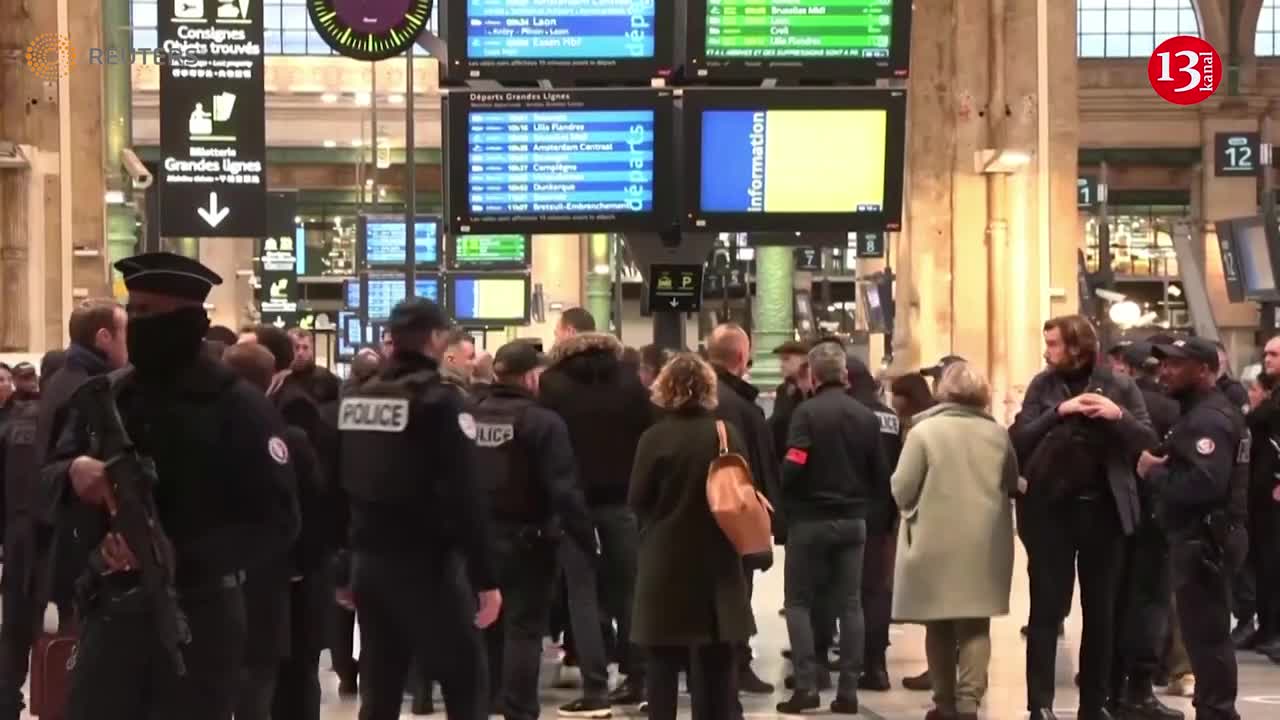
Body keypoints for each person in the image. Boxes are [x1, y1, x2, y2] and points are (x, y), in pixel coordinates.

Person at [43, 252, 300, 720]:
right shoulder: (111, 397)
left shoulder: (237, 407)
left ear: (187, 321)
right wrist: (74, 473)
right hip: (110, 612)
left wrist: (177, 556)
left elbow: (278, 521)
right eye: (132, 311)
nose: (137, 323)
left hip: (196, 617)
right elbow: (47, 480)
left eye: (149, 312)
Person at [336, 297, 500, 720]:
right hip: (427, 565)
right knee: (466, 679)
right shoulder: (440, 401)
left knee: (381, 681)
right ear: (436, 338)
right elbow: (465, 494)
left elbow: (337, 487)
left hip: (368, 563)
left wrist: (342, 568)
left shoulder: (356, 400)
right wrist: (485, 577)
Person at [1011, 314, 1155, 720]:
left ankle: (1096, 703)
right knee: (1046, 610)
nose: (1047, 351)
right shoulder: (1043, 385)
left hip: (1104, 511)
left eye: (1054, 343)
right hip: (1050, 512)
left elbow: (1147, 439)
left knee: (1102, 612)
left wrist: (1116, 415)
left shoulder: (1119, 385)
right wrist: (1060, 411)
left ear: (1077, 346)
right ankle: (1040, 705)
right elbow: (1019, 438)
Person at [469, 341, 597, 720]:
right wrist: (584, 538)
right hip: (530, 542)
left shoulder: (469, 415)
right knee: (523, 629)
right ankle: (519, 709)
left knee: (485, 625)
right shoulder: (543, 422)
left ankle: (486, 700)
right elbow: (563, 488)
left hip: (478, 540)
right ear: (531, 376)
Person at [628, 352, 753, 720]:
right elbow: (746, 490)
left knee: (662, 662)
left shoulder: (653, 438)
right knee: (716, 662)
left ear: (664, 388)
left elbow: (637, 499)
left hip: (665, 559)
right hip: (718, 556)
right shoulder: (726, 433)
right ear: (709, 389)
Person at [540, 308, 652, 714]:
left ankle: (594, 689)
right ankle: (638, 678)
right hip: (624, 502)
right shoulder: (630, 381)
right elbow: (647, 437)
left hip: (574, 505)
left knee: (582, 596)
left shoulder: (552, 384)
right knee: (630, 591)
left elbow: (547, 448)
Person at [891, 361, 1016, 720]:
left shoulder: (924, 432)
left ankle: (943, 703)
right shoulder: (998, 434)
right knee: (976, 624)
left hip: (934, 542)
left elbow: (901, 489)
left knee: (939, 623)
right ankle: (969, 703)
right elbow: (1011, 480)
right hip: (984, 543)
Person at [776, 342, 890, 716]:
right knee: (851, 604)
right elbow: (879, 476)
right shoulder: (866, 417)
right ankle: (848, 692)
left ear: (812, 376)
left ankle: (807, 686)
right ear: (843, 375)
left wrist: (783, 492)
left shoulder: (806, 413)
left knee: (799, 602)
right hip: (854, 521)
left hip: (810, 521)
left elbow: (795, 461)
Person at [1138, 337, 1249, 720]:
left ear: (1203, 370)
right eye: (1163, 363)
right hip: (1204, 538)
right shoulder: (1200, 412)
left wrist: (1155, 473)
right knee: (1204, 636)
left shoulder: (1208, 420)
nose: (1164, 371)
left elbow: (1204, 484)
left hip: (1205, 541)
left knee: (1208, 637)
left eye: (1175, 364)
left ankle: (1217, 712)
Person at [219, 343, 306, 720]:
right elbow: (289, 516)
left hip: (210, 579)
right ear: (273, 380)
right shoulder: (283, 433)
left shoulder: (199, 425)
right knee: (257, 685)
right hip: (265, 577)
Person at [1108, 343, 1185, 720]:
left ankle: (1108, 690)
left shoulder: (1111, 407)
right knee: (1151, 603)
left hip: (1115, 518)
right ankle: (1138, 692)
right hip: (1155, 520)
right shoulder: (1172, 410)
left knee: (1114, 603)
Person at [705, 323, 779, 695]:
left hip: (693, 517)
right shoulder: (744, 409)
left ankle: (703, 661)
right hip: (735, 515)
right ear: (741, 357)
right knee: (737, 592)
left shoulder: (694, 400)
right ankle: (736, 663)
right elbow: (762, 469)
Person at [0, 350, 66, 720]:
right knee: (72, 624)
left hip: (18, 536)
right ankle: (62, 700)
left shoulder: (16, 423)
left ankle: (8, 701)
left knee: (15, 629)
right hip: (60, 536)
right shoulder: (73, 421)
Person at [845, 355, 902, 692]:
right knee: (875, 590)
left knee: (841, 591)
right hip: (881, 513)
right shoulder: (890, 416)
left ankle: (842, 666)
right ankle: (876, 664)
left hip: (847, 508)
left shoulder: (848, 413)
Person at [1247, 336, 1280, 662]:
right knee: (1264, 563)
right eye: (1266, 352)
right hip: (1260, 493)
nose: (1267, 358)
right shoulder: (1272, 396)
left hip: (1275, 490)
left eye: (1274, 354)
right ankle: (1267, 626)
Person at [769, 340, 812, 464]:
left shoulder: (815, 390)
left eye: (786, 359)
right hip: (786, 458)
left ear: (804, 360)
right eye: (781, 360)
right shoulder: (783, 390)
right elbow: (778, 422)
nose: (781, 365)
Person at [286, 328, 341, 407]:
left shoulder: (325, 378)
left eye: (305, 348)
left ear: (312, 350)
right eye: (296, 347)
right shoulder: (281, 379)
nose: (300, 353)